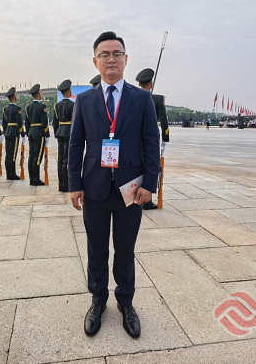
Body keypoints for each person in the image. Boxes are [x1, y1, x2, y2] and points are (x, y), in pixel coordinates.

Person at [69, 31, 160, 338]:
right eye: (104, 54)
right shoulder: (84, 100)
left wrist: (150, 183)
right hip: (94, 188)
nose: (111, 59)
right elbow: (75, 145)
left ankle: (125, 302)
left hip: (130, 189)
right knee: (96, 249)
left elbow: (151, 142)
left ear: (126, 59)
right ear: (95, 61)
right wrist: (74, 184)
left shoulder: (142, 99)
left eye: (117, 54)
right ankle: (98, 301)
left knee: (125, 249)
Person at [135, 68, 169, 210]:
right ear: (151, 83)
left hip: (136, 136)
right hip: (151, 136)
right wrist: (166, 138)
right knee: (151, 163)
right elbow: (163, 119)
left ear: (139, 84)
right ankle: (147, 199)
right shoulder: (158, 99)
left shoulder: (134, 97)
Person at [25, 84, 50, 186]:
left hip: (31, 131)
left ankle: (32, 179)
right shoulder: (42, 106)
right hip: (39, 132)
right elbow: (44, 122)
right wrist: (47, 134)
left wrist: (28, 133)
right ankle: (36, 179)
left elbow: (27, 122)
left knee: (31, 155)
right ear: (39, 94)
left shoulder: (28, 107)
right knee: (38, 156)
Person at [53, 79, 74, 192]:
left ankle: (61, 184)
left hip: (60, 131)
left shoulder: (57, 105)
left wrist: (57, 133)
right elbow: (75, 121)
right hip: (69, 132)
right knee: (67, 159)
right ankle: (66, 185)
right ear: (69, 91)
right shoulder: (73, 104)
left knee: (60, 158)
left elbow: (55, 122)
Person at [3, 87, 25, 180]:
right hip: (14, 132)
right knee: (13, 154)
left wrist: (5, 132)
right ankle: (12, 174)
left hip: (7, 132)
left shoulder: (5, 109)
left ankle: (8, 173)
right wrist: (22, 133)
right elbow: (19, 122)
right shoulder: (17, 108)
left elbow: (4, 123)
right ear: (14, 97)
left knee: (8, 153)